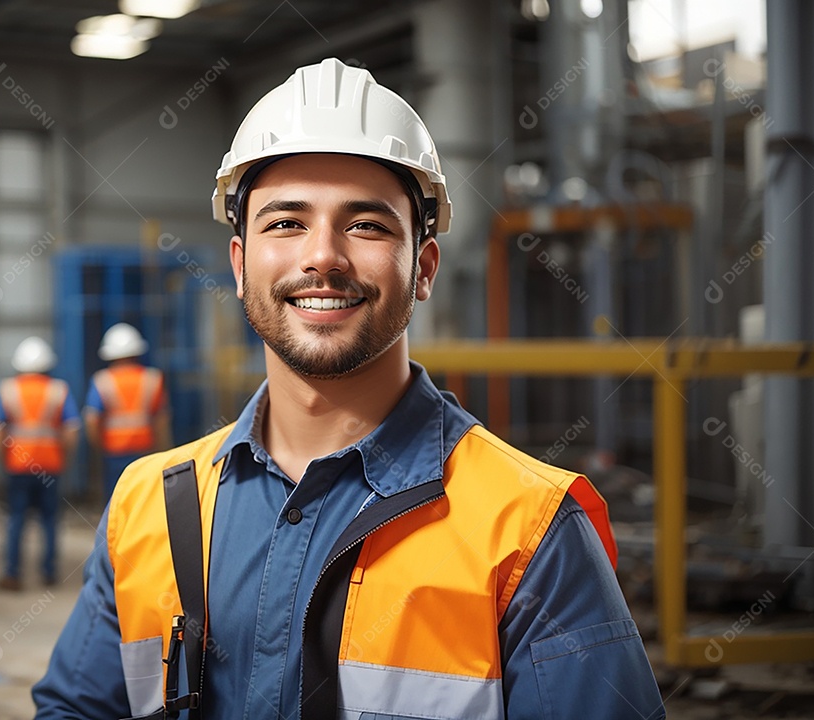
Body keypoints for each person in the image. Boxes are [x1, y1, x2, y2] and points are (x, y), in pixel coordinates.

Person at [33, 59, 665, 719]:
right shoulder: (146, 508)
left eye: (366, 224)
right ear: (240, 265)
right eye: (285, 223)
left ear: (422, 268)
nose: (323, 257)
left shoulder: (530, 533)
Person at [0, 337, 79, 591]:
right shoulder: (58, 390)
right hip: (50, 465)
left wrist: (4, 458)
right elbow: (71, 430)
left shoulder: (8, 389)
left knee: (17, 518)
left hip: (18, 465)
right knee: (49, 519)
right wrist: (64, 457)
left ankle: (12, 573)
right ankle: (49, 572)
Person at [84, 323, 171, 505]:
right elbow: (162, 421)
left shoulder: (102, 381)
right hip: (146, 452)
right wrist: (164, 452)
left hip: (114, 453)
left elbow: (92, 420)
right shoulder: (152, 378)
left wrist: (98, 450)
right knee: (145, 503)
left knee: (116, 504)